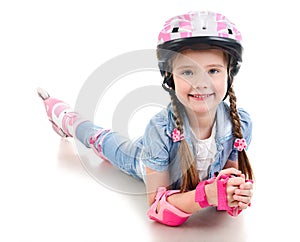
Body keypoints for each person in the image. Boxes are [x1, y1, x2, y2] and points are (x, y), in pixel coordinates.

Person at [38, 11, 254, 227]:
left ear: (229, 73)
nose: (201, 83)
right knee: (103, 141)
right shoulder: (159, 129)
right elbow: (157, 207)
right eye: (188, 72)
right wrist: (205, 195)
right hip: (143, 156)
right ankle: (64, 117)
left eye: (213, 70)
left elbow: (225, 179)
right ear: (170, 76)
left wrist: (233, 192)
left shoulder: (239, 124)